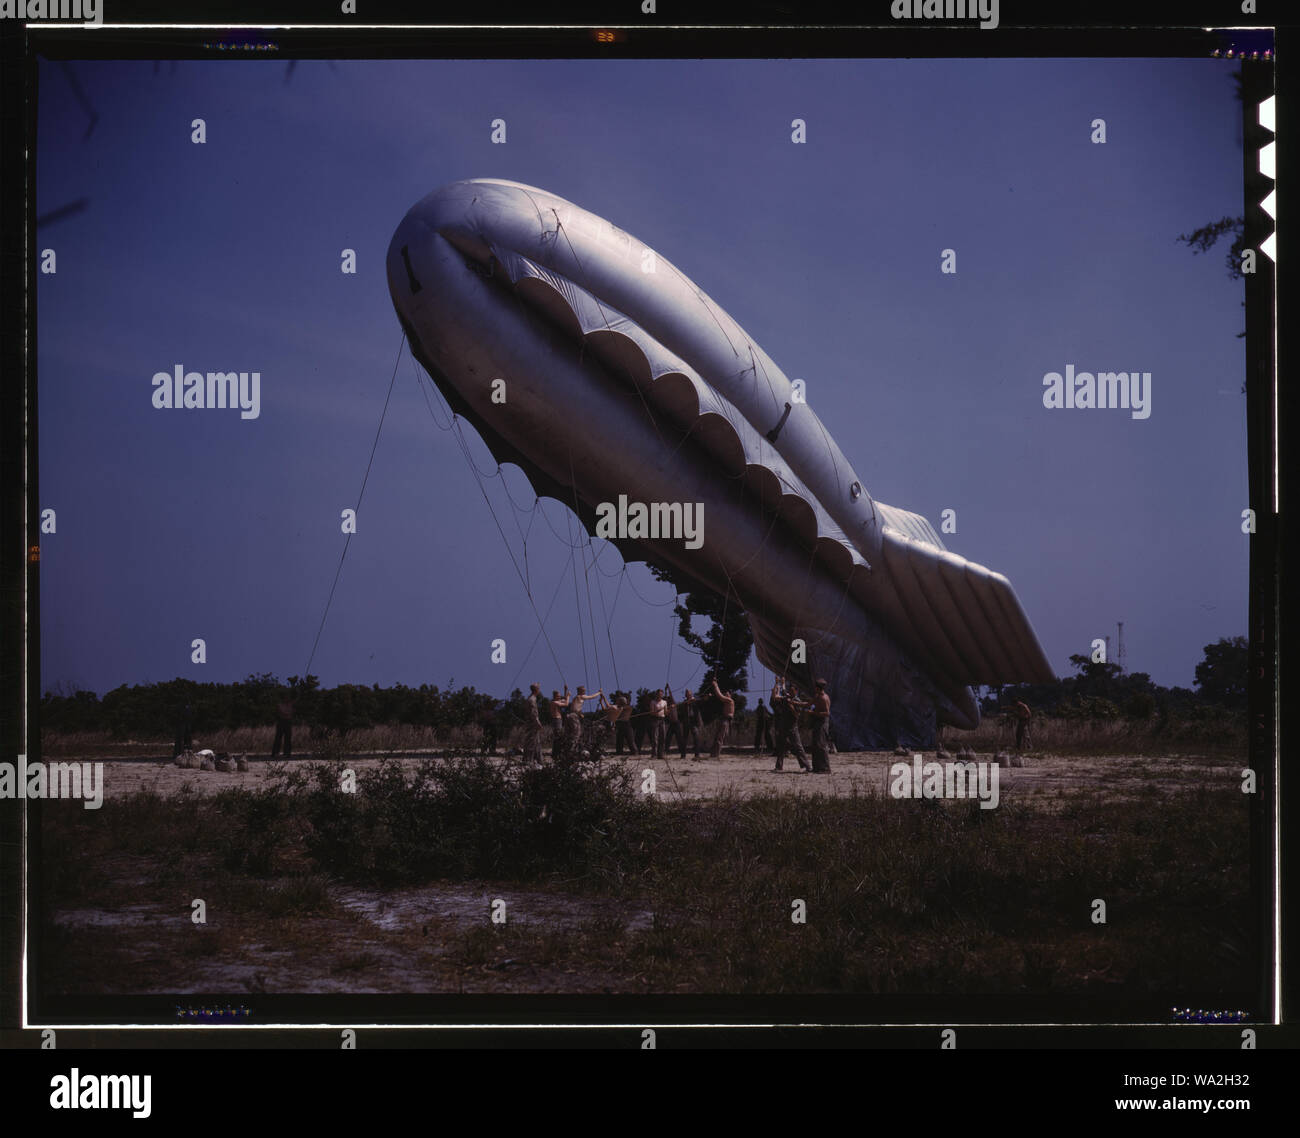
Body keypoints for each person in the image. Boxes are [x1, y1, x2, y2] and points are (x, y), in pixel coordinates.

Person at [770, 678, 810, 771]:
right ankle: (779, 766)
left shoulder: (797, 700)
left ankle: (806, 766)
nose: (790, 692)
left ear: (796, 691)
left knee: (798, 747)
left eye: (792, 691)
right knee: (781, 747)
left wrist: (791, 706)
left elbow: (797, 715)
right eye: (790, 690)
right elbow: (776, 696)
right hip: (784, 726)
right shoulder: (786, 698)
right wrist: (777, 684)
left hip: (792, 727)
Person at [809, 679, 832, 773]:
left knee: (821, 745)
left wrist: (814, 713)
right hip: (817, 722)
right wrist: (794, 702)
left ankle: (825, 768)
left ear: (818, 688)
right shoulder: (817, 696)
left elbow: (827, 713)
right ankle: (817, 767)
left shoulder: (824, 698)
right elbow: (808, 703)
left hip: (822, 723)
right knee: (815, 745)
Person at [710, 677, 735, 757]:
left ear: (730, 695)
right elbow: (718, 695)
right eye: (726, 693)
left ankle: (716, 754)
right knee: (717, 736)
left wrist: (715, 685)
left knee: (720, 737)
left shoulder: (730, 700)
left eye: (727, 693)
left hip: (726, 720)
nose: (726, 694)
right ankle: (713, 753)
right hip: (723, 719)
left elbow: (720, 696)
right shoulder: (726, 701)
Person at [524, 682, 544, 763]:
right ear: (536, 690)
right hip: (532, 723)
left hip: (531, 722)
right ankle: (528, 760)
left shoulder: (530, 698)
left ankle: (539, 759)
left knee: (536, 741)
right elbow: (533, 713)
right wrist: (538, 722)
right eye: (538, 688)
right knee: (531, 741)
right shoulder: (532, 699)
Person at [680, 688, 703, 759]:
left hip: (694, 722)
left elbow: (701, 702)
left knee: (696, 738)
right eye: (687, 694)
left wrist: (693, 701)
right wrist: (687, 703)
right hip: (686, 722)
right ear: (685, 695)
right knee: (684, 739)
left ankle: (697, 754)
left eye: (689, 693)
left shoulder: (695, 701)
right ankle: (683, 755)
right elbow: (681, 712)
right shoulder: (684, 703)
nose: (688, 695)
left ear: (691, 694)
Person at [664, 685, 685, 758]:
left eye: (669, 700)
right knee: (668, 738)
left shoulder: (674, 704)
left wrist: (668, 688)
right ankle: (665, 752)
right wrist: (665, 691)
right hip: (671, 724)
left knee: (679, 739)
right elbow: (666, 699)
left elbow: (670, 695)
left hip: (676, 723)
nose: (669, 700)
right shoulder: (667, 707)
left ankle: (683, 754)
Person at [271, 690, 293, 758]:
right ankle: (275, 753)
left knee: (288, 738)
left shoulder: (290, 705)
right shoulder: (279, 704)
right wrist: (286, 714)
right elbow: (281, 713)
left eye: (288, 697)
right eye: (285, 697)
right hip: (281, 722)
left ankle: (287, 753)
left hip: (288, 722)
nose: (287, 698)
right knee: (278, 738)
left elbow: (291, 713)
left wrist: (287, 714)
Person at [549, 686, 569, 758]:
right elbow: (566, 704)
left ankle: (556, 752)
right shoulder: (554, 702)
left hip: (558, 720)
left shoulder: (556, 701)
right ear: (555, 696)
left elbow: (564, 700)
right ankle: (556, 753)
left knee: (558, 736)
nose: (560, 697)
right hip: (556, 720)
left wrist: (565, 690)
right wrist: (568, 696)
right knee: (558, 736)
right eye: (558, 696)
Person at [649, 689, 668, 758]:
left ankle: (661, 754)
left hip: (662, 719)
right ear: (656, 694)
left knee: (662, 737)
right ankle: (654, 754)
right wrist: (656, 711)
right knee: (655, 737)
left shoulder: (664, 702)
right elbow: (651, 712)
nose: (659, 695)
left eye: (661, 694)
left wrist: (670, 709)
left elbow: (666, 713)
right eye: (658, 694)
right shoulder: (653, 702)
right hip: (655, 720)